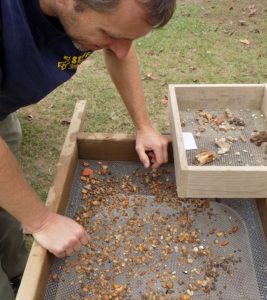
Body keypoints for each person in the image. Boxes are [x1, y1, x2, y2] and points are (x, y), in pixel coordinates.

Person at [0, 0, 176, 298]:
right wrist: (42, 221)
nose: (120, 48)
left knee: (7, 205)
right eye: (108, 33)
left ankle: (18, 271)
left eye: (128, 37)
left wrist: (144, 125)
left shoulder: (92, 19)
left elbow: (121, 51)